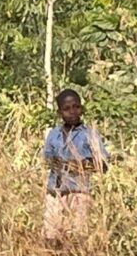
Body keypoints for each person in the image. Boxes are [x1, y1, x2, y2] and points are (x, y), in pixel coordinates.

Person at [41, 88, 108, 247]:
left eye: (76, 107)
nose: (72, 112)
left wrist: (80, 165)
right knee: (50, 236)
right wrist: (54, 163)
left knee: (76, 237)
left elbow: (103, 165)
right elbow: (46, 159)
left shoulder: (89, 134)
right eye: (67, 109)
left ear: (81, 108)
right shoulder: (53, 134)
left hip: (79, 192)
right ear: (59, 113)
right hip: (55, 191)